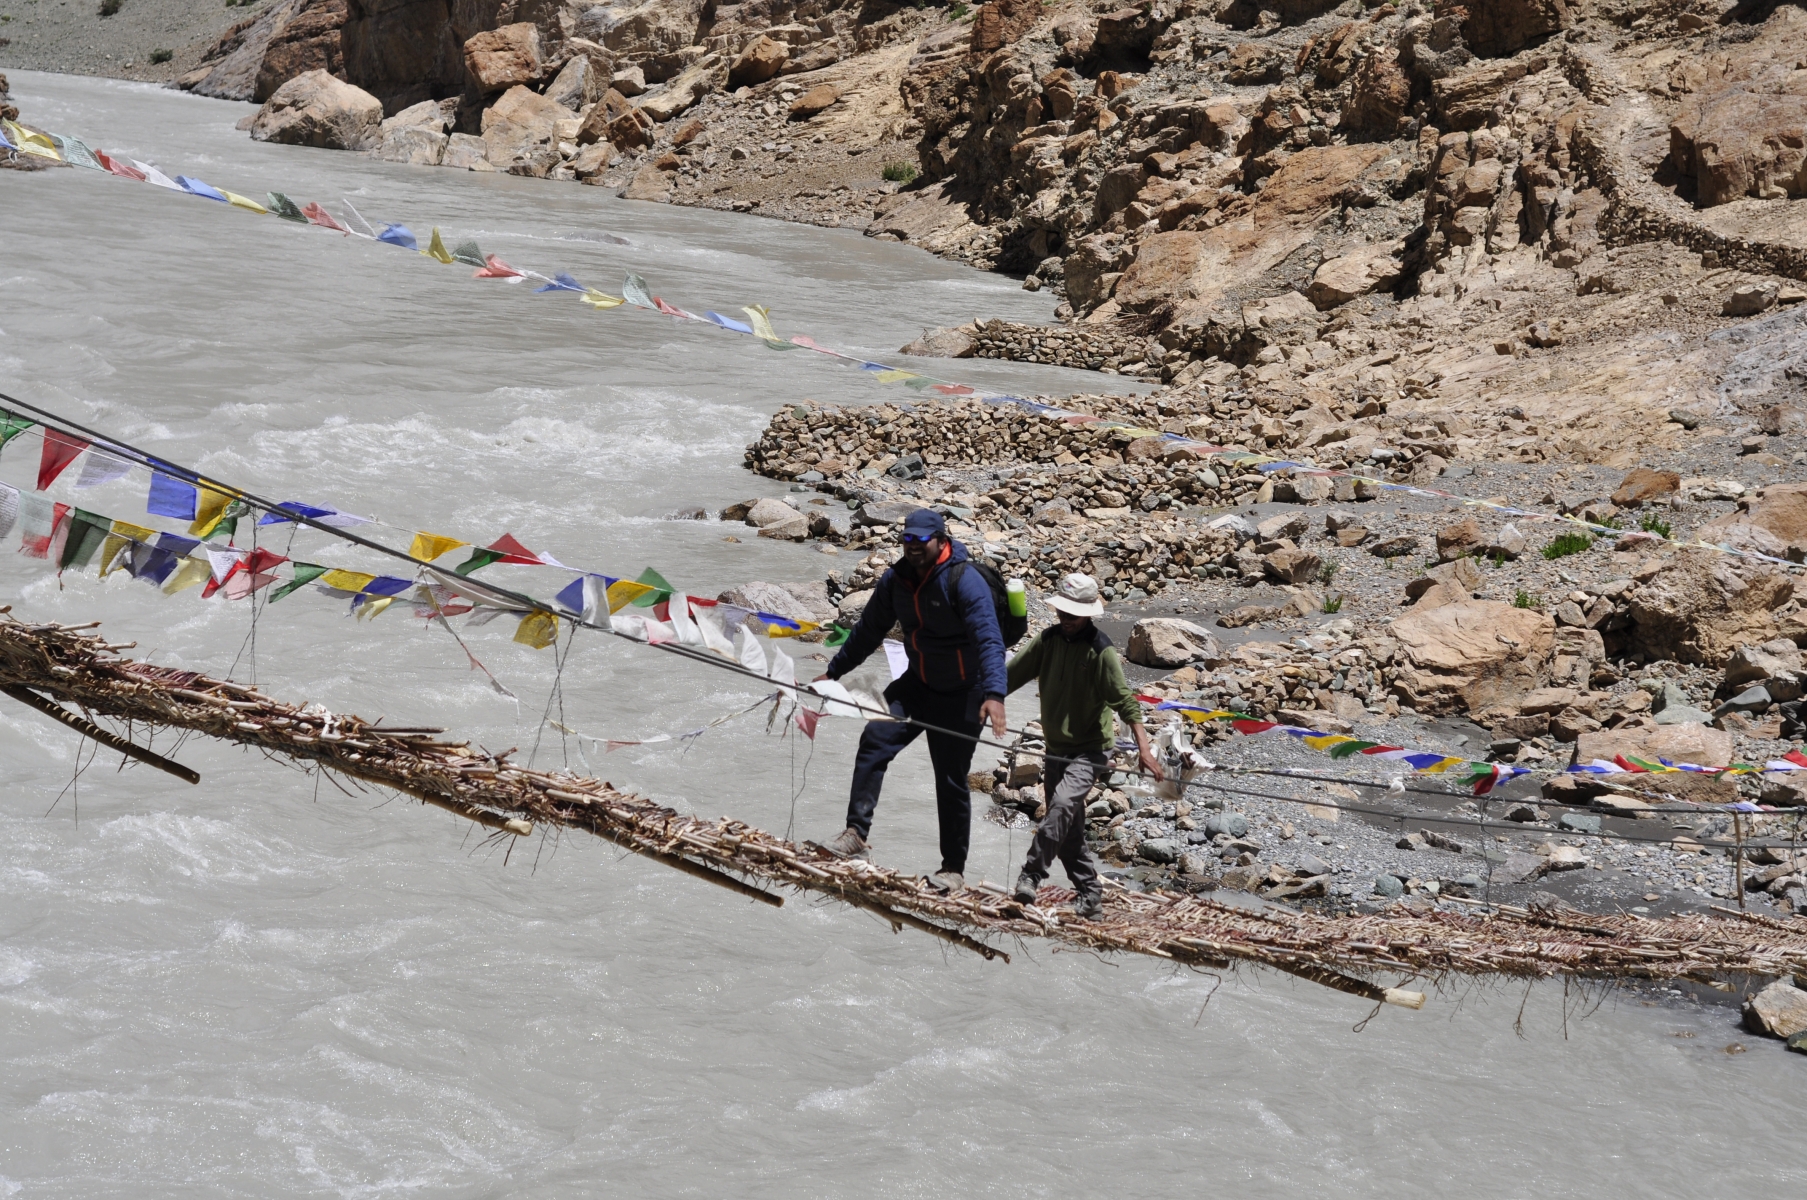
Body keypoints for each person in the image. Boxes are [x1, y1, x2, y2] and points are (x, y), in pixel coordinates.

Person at [817, 508, 1007, 892]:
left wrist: (994, 695)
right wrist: (833, 672)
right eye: (907, 540)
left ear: (940, 540)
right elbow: (869, 630)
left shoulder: (964, 580)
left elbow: (990, 639)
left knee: (951, 778)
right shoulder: (896, 580)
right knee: (875, 739)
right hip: (918, 683)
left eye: (921, 541)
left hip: (964, 693)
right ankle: (855, 834)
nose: (913, 547)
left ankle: (952, 869)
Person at [1003, 573, 1161, 919]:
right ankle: (1090, 895)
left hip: (1091, 750)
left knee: (1059, 807)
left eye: (1073, 615)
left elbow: (1126, 702)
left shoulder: (1101, 651)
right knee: (1069, 834)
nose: (1067, 621)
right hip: (1056, 748)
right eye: (1063, 614)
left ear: (1088, 614)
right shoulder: (1047, 641)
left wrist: (1145, 750)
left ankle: (1031, 874)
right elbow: (1008, 678)